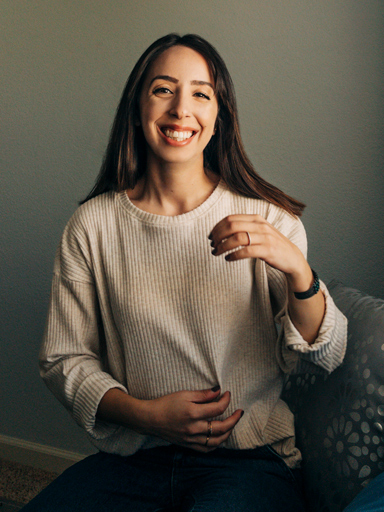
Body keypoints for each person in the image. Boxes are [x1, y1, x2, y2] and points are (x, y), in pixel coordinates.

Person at [22, 33, 347, 511]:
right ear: (137, 107)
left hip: (249, 461)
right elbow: (63, 360)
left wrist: (299, 271)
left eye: (200, 93)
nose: (180, 109)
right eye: (162, 89)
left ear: (220, 116)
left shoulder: (272, 221)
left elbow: (330, 352)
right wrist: (147, 416)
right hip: (133, 460)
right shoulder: (91, 226)